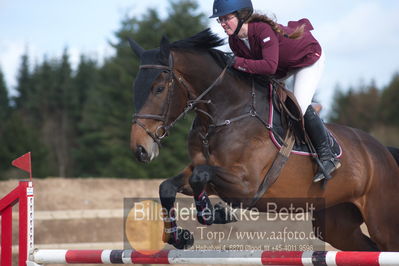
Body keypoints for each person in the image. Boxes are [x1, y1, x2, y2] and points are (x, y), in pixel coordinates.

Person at [210, 0, 340, 182]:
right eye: (220, 20)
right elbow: (253, 71)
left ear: (242, 15)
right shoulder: (235, 41)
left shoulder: (262, 29)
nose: (223, 24)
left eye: (226, 18)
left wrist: (236, 62)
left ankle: (328, 156)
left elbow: (269, 66)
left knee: (298, 107)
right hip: (282, 67)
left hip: (307, 59)